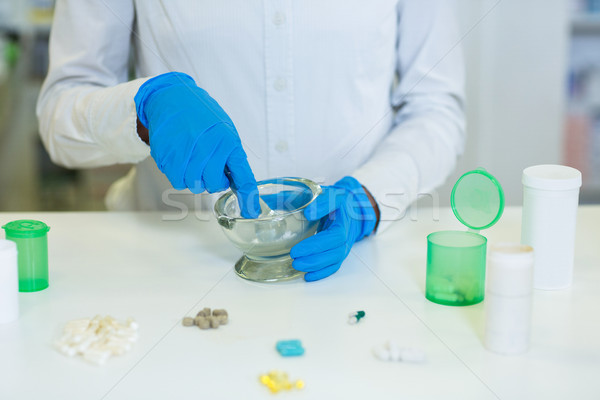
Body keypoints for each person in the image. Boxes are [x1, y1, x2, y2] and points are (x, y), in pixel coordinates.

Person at [37, 1, 465, 281]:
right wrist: (143, 109)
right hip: (169, 264)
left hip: (356, 267)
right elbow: (58, 116)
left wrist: (368, 198)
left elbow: (435, 107)